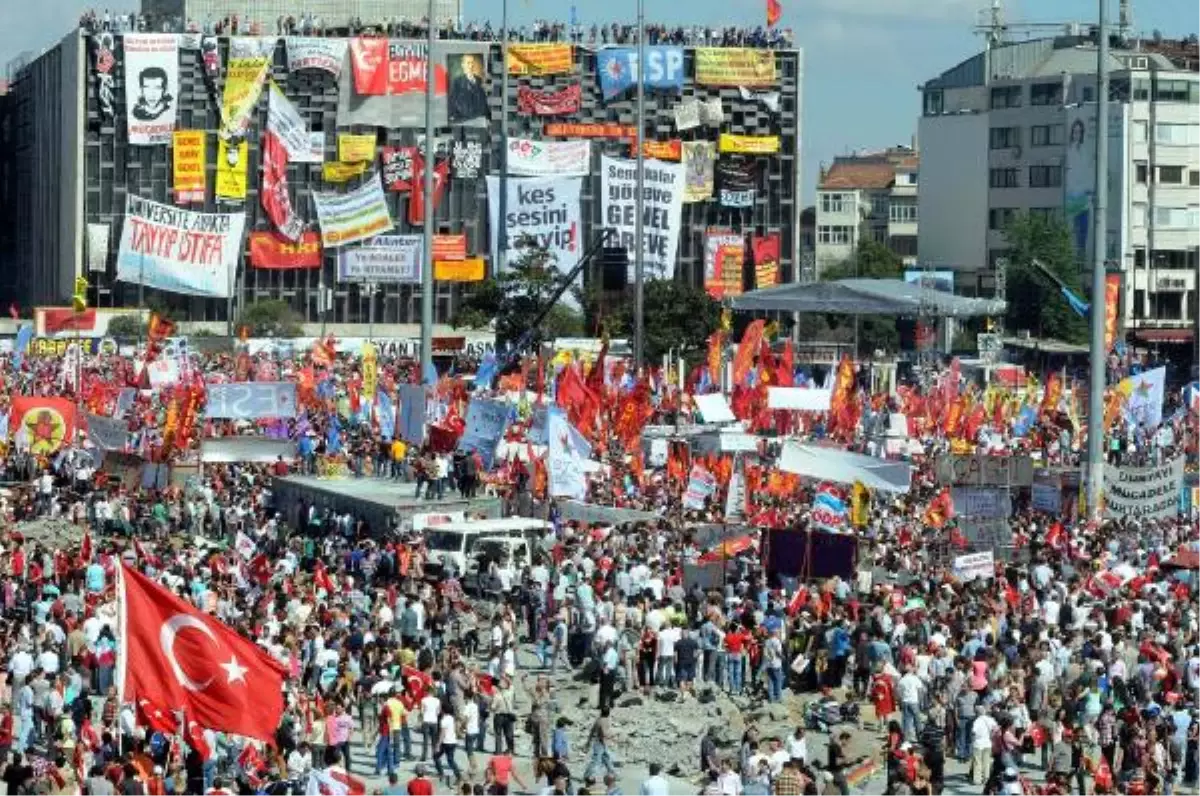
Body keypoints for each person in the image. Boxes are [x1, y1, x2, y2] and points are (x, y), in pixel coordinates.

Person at [448, 53, 490, 123]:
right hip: (462, 119)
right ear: (463, 65)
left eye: (472, 63)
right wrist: (452, 116)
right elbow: (452, 100)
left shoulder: (479, 80)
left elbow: (484, 101)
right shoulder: (457, 81)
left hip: (478, 118)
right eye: (468, 63)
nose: (470, 66)